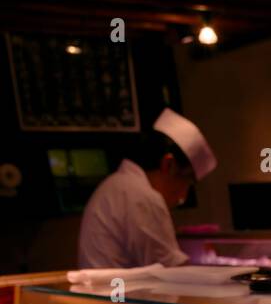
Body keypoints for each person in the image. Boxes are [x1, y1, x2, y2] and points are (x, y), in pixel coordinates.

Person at [78, 108, 216, 270]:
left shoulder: (117, 184)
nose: (182, 196)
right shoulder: (143, 197)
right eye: (187, 183)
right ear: (168, 165)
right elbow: (173, 273)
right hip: (118, 294)